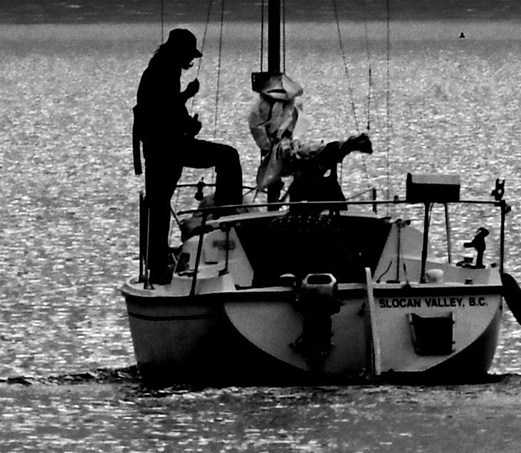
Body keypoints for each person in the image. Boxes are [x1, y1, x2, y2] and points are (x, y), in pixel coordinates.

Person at [130, 28, 244, 283]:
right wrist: (189, 126)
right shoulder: (166, 70)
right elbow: (167, 110)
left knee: (158, 202)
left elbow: (165, 104)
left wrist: (186, 98)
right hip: (168, 148)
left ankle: (156, 264)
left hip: (159, 148)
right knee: (228, 157)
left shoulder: (158, 68)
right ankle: (230, 220)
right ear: (178, 52)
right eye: (188, 55)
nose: (190, 62)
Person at [244, 70, 370, 205]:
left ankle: (342, 146)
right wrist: (274, 147)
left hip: (291, 149)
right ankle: (342, 147)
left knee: (313, 154)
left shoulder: (292, 107)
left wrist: (294, 141)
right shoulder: (257, 110)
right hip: (281, 153)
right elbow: (262, 139)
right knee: (305, 158)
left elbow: (298, 126)